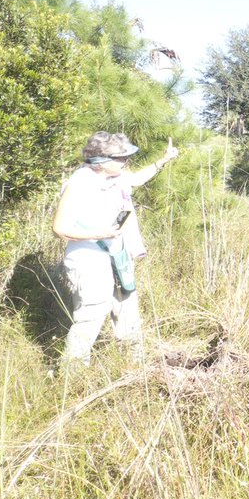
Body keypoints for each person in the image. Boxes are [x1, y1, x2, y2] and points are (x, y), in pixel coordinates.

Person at [52, 131, 180, 364]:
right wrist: (100, 233)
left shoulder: (115, 178)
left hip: (117, 256)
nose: (126, 162)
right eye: (121, 158)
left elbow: (137, 178)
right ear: (101, 162)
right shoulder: (79, 183)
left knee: (128, 311)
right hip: (88, 260)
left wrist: (163, 160)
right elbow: (59, 228)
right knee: (92, 315)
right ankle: (73, 373)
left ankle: (134, 368)